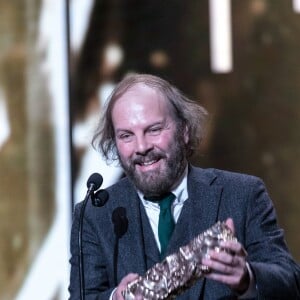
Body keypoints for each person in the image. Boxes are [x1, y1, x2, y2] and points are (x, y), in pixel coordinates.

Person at [69, 73, 300, 299]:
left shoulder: (242, 194)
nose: (141, 147)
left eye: (154, 130)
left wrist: (247, 278)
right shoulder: (94, 214)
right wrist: (115, 298)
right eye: (126, 135)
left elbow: (290, 282)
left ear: (185, 130)